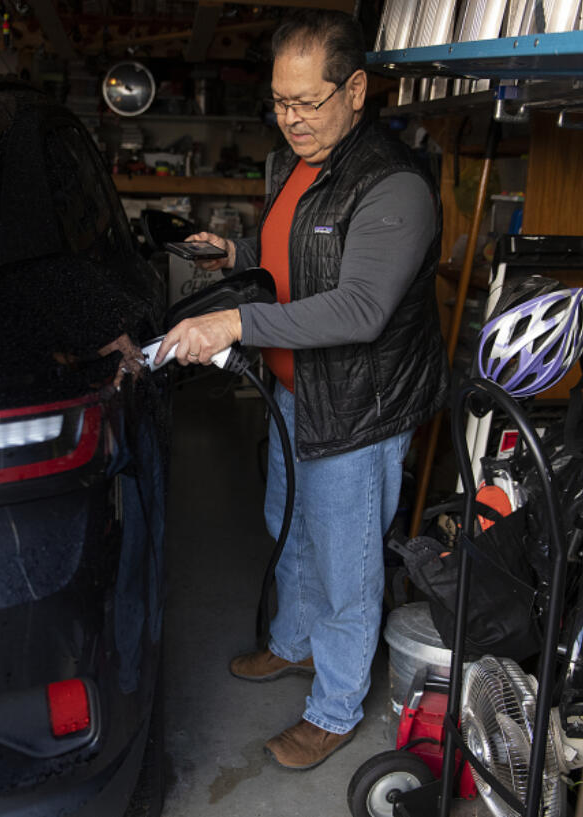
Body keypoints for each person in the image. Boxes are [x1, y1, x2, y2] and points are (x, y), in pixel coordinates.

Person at [154, 9, 448, 770]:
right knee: (291, 525)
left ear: (355, 90)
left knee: (347, 564)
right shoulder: (298, 165)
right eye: (280, 102)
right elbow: (295, 257)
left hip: (357, 407)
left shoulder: (393, 185)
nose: (290, 119)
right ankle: (293, 644)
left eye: (306, 102)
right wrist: (237, 254)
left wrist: (233, 323)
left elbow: (359, 306)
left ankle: (337, 704)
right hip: (297, 393)